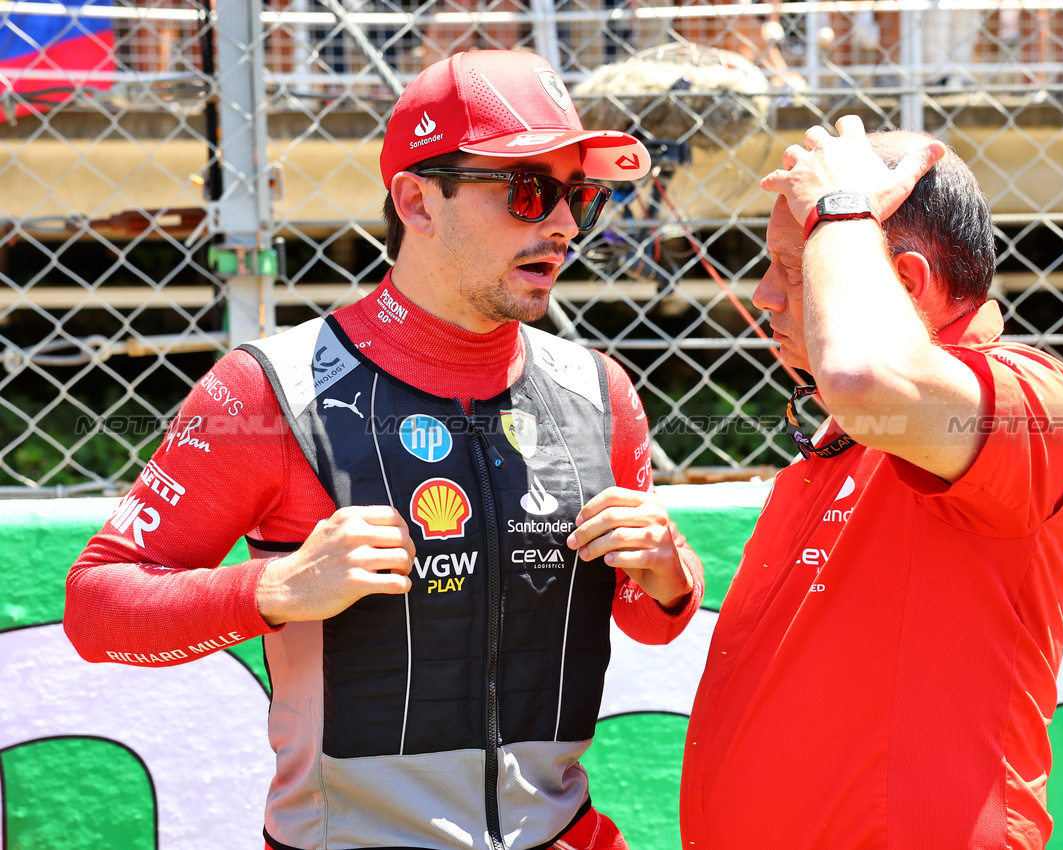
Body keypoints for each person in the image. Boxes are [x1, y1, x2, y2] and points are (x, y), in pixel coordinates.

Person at [65, 49, 704, 850]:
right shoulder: (269, 389)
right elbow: (95, 610)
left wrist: (671, 574)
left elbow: (646, 622)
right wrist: (273, 587)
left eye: (579, 195)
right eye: (529, 190)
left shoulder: (597, 388)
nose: (565, 225)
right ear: (416, 201)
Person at [680, 120, 1063, 849]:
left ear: (904, 283)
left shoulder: (1039, 403)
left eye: (792, 265)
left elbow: (866, 376)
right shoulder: (837, 443)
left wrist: (840, 211)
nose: (763, 297)